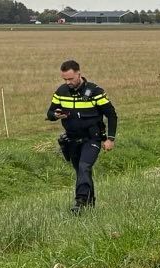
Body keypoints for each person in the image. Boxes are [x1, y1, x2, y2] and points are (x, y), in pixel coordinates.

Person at [46, 58, 117, 210]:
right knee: (81, 172)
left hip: (92, 138)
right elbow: (50, 113)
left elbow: (111, 115)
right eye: (64, 79)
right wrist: (55, 115)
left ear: (79, 74)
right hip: (71, 139)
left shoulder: (95, 91)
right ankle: (90, 204)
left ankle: (80, 202)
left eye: (70, 79)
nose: (67, 82)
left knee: (84, 167)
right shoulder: (61, 91)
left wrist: (110, 139)